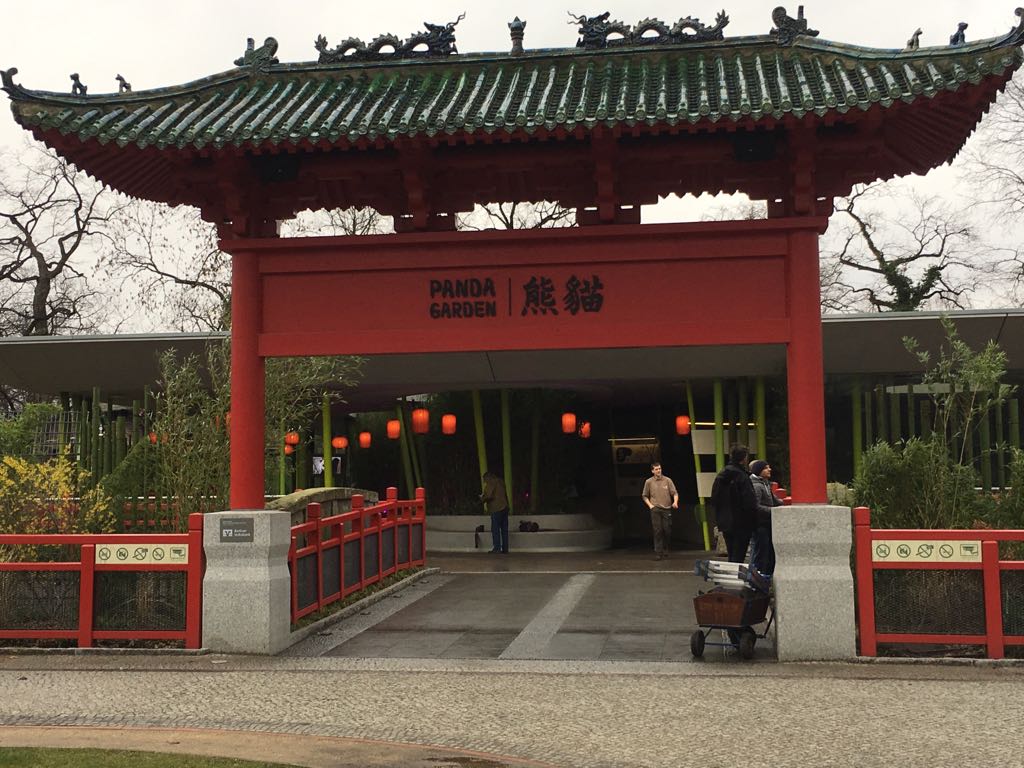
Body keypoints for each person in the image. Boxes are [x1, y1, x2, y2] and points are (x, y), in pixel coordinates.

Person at [711, 444, 759, 564]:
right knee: (739, 555)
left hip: (725, 521)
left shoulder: (721, 475)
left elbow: (714, 498)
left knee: (732, 553)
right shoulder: (742, 476)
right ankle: (736, 579)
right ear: (744, 458)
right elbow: (749, 501)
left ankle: (729, 579)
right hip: (742, 522)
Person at [748, 459, 783, 576]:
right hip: (760, 523)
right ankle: (755, 575)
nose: (769, 469)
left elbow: (774, 500)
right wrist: (772, 510)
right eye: (766, 468)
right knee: (760, 551)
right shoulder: (757, 486)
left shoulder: (765, 483)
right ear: (759, 470)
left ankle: (765, 575)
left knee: (767, 551)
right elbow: (755, 506)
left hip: (767, 522)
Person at [641, 462, 678, 560]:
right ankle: (658, 552)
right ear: (652, 471)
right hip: (655, 508)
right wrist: (650, 506)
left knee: (667, 530)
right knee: (658, 530)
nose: (658, 471)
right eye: (656, 469)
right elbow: (644, 496)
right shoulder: (649, 482)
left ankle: (666, 547)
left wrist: (675, 502)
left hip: (667, 508)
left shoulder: (667, 480)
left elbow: (675, 493)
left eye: (660, 469)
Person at [480, 470, 510, 554]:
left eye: (484, 480)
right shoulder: (501, 481)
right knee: (504, 529)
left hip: (496, 508)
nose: (484, 482)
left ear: (488, 477)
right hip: (505, 507)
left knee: (495, 529)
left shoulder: (491, 482)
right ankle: (505, 548)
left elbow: (488, 495)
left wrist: (482, 498)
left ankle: (497, 548)